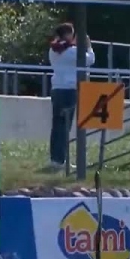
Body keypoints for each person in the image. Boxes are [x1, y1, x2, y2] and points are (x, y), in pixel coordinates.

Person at [47, 22, 95, 171]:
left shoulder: (53, 50)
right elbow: (90, 60)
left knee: (57, 126)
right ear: (67, 34)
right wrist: (88, 45)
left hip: (56, 89)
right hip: (69, 90)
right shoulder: (72, 51)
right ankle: (61, 160)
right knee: (65, 126)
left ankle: (56, 158)